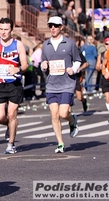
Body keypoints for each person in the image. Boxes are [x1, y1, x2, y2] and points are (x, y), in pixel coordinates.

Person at [0, 17, 28, 154]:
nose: (3, 32)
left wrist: (18, 69)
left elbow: (25, 64)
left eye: (6, 30)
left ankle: (11, 144)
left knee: (11, 114)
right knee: (0, 117)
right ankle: (10, 126)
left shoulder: (18, 44)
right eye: (1, 29)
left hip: (14, 84)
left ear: (11, 30)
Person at [41, 16, 81, 153]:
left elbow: (77, 60)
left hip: (67, 83)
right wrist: (43, 65)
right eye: (50, 25)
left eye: (55, 26)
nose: (53, 28)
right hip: (51, 84)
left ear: (61, 27)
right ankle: (60, 143)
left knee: (64, 113)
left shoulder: (69, 43)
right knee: (54, 114)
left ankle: (72, 120)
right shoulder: (45, 45)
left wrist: (73, 69)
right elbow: (43, 62)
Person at [98, 37, 109, 123]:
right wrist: (103, 71)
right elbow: (100, 66)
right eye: (106, 44)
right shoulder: (103, 54)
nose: (108, 46)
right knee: (108, 98)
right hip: (106, 78)